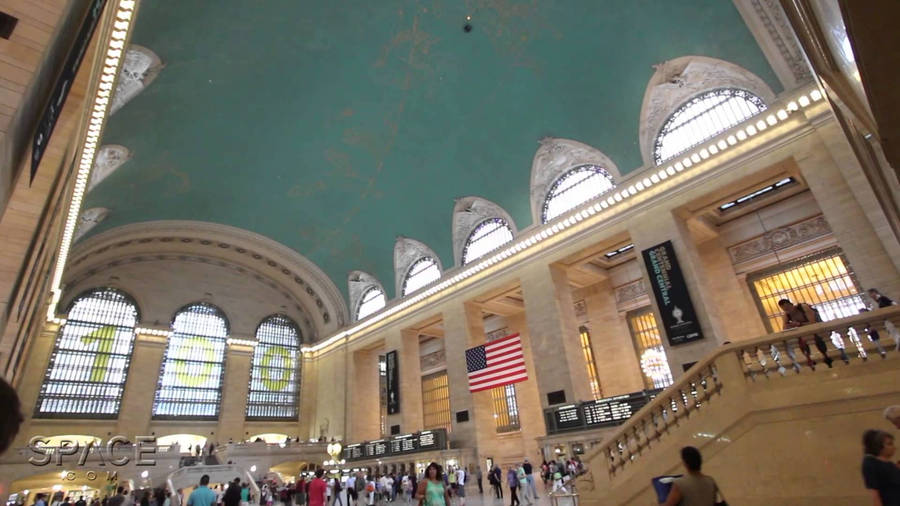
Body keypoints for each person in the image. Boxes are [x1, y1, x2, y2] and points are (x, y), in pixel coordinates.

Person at [779, 298, 843, 367]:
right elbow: (785, 329)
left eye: (788, 307)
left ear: (791, 305)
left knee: (824, 347)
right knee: (809, 350)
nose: (788, 310)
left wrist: (798, 324)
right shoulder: (787, 315)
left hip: (818, 331)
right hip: (806, 336)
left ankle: (837, 360)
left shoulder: (803, 307)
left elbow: (813, 323)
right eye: (785, 309)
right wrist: (787, 321)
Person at [862, 429, 900, 505]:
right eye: (889, 444)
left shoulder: (890, 465)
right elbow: (875, 494)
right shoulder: (870, 463)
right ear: (879, 446)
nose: (894, 447)